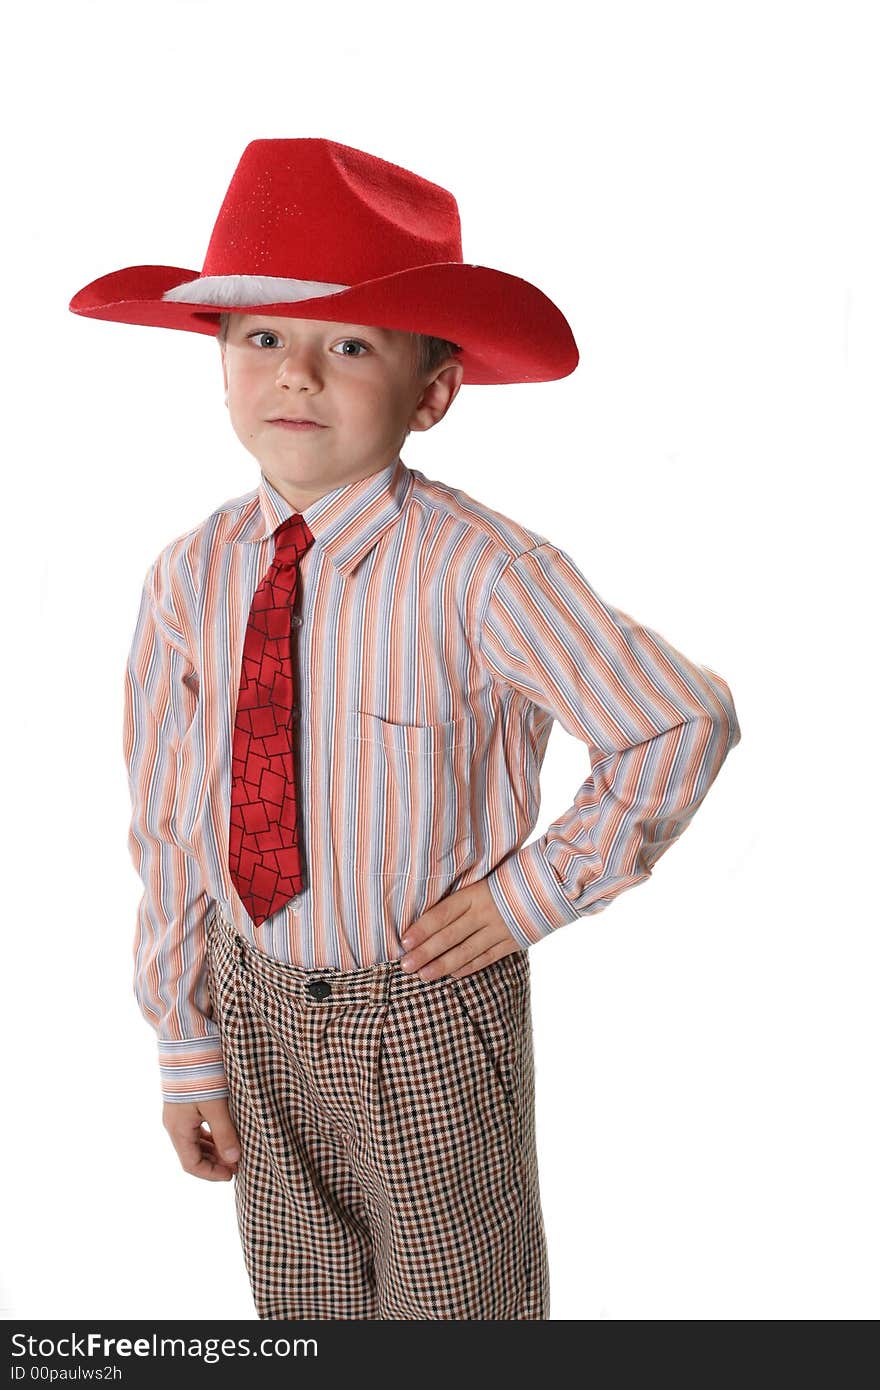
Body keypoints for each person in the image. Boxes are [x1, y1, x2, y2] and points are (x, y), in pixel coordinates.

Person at [70, 138, 741, 1320]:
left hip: (424, 1012)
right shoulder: (190, 578)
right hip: (254, 1000)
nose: (298, 377)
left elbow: (677, 719)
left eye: (350, 346)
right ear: (219, 362)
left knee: (457, 1311)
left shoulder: (481, 573)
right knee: (303, 1306)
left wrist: (534, 894)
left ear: (431, 391)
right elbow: (173, 822)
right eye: (264, 337)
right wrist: (185, 1040)